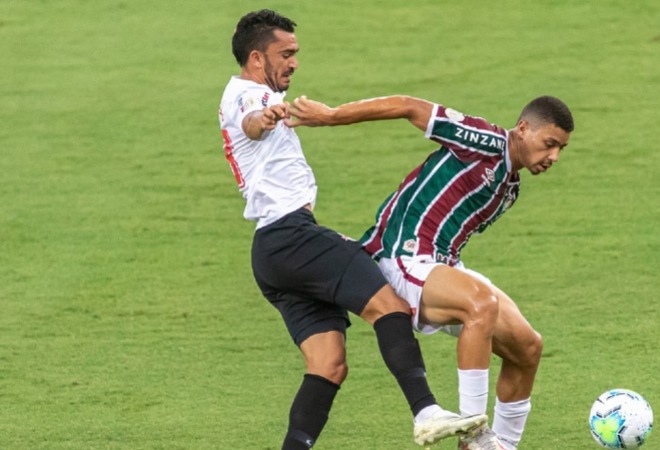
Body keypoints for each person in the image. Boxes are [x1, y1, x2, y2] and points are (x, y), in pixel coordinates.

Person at [216, 10, 487, 450]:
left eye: (296, 54)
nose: (294, 63)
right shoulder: (246, 95)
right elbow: (251, 120)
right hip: (291, 236)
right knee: (391, 306)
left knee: (328, 364)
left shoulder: (249, 93)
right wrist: (267, 118)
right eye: (285, 54)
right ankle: (426, 412)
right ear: (255, 58)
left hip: (271, 254)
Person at [286, 94, 574, 450]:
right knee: (481, 304)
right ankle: (474, 437)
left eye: (561, 148)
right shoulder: (483, 140)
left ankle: (502, 446)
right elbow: (409, 106)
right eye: (549, 144)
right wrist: (332, 116)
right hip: (399, 256)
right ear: (523, 128)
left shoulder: (510, 186)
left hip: (441, 264)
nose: (554, 157)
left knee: (528, 347)